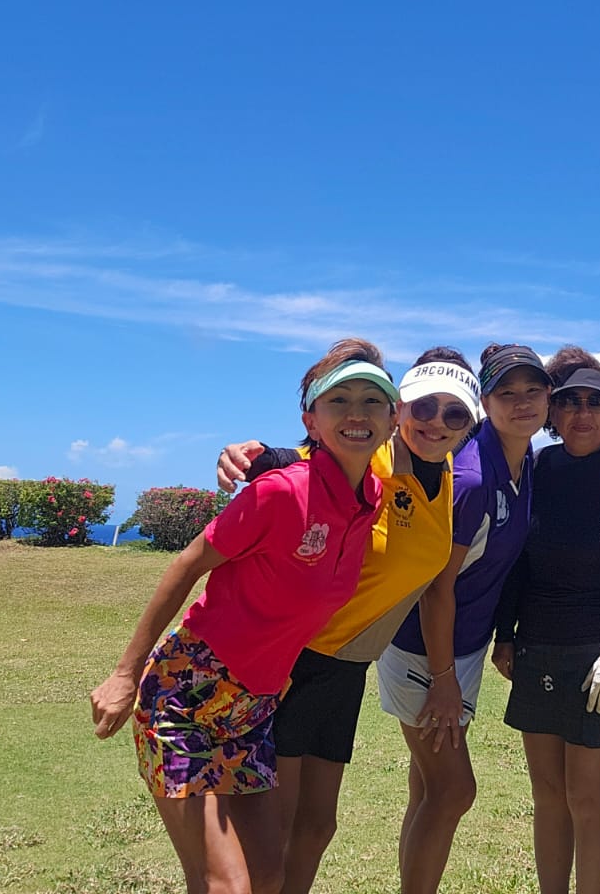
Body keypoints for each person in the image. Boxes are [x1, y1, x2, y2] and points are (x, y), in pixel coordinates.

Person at [88, 339, 397, 894]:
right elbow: (187, 564)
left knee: (268, 875)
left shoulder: (371, 498)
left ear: (393, 418)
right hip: (185, 693)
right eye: (339, 401)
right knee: (225, 883)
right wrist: (124, 674)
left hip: (252, 709)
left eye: (373, 401)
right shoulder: (281, 491)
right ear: (312, 419)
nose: (357, 413)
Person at [212, 348, 482, 894]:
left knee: (316, 826)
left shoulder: (446, 474)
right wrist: (257, 455)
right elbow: (310, 460)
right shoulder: (374, 461)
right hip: (294, 662)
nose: (437, 422)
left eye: (454, 414)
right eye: (425, 407)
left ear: (468, 426)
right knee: (273, 830)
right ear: (398, 412)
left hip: (346, 669)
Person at [387, 343, 553, 894]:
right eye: (507, 393)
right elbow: (436, 590)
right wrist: (442, 682)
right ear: (485, 402)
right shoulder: (474, 478)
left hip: (464, 646)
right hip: (423, 650)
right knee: (454, 791)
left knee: (427, 785)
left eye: (533, 391)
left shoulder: (523, 458)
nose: (522, 403)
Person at [492, 346, 600, 894]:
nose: (583, 413)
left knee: (586, 796)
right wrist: (506, 634)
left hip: (599, 660)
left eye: (597, 402)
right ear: (554, 414)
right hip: (537, 647)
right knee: (547, 794)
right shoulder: (536, 468)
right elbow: (517, 558)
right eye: (570, 402)